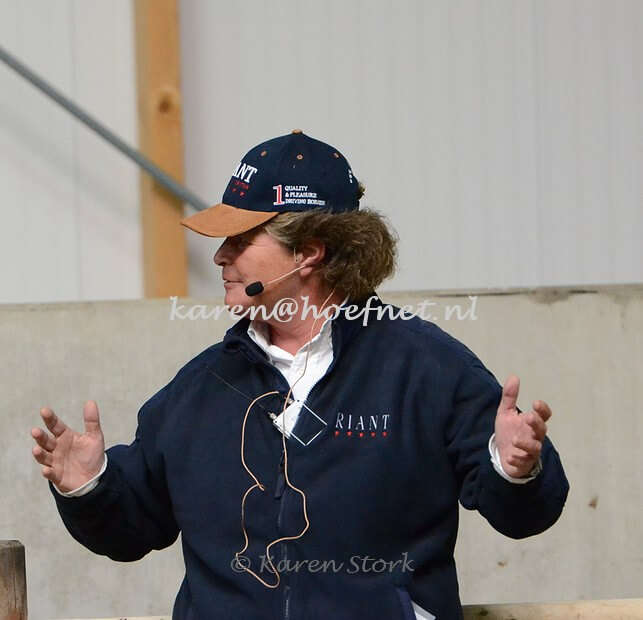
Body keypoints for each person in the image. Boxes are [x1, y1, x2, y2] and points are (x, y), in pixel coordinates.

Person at [31, 130, 569, 620]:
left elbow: (523, 516)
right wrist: (90, 486)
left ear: (309, 252)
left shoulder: (429, 370)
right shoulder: (199, 387)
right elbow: (131, 528)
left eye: (241, 239)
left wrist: (516, 469)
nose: (220, 257)